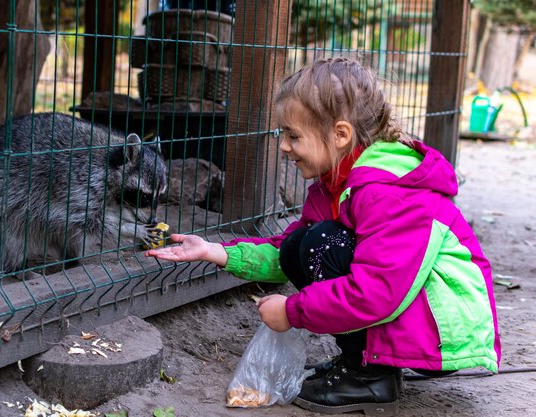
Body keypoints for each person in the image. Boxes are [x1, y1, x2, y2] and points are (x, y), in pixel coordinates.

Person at [145, 57, 501, 416]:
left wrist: (293, 311)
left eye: (293, 135)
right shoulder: (333, 185)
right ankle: (362, 363)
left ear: (340, 134)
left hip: (445, 332)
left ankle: (370, 376)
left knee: (322, 243)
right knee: (304, 244)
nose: (283, 146)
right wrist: (215, 251)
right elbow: (287, 252)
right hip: (410, 311)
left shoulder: (385, 192)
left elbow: (377, 290)